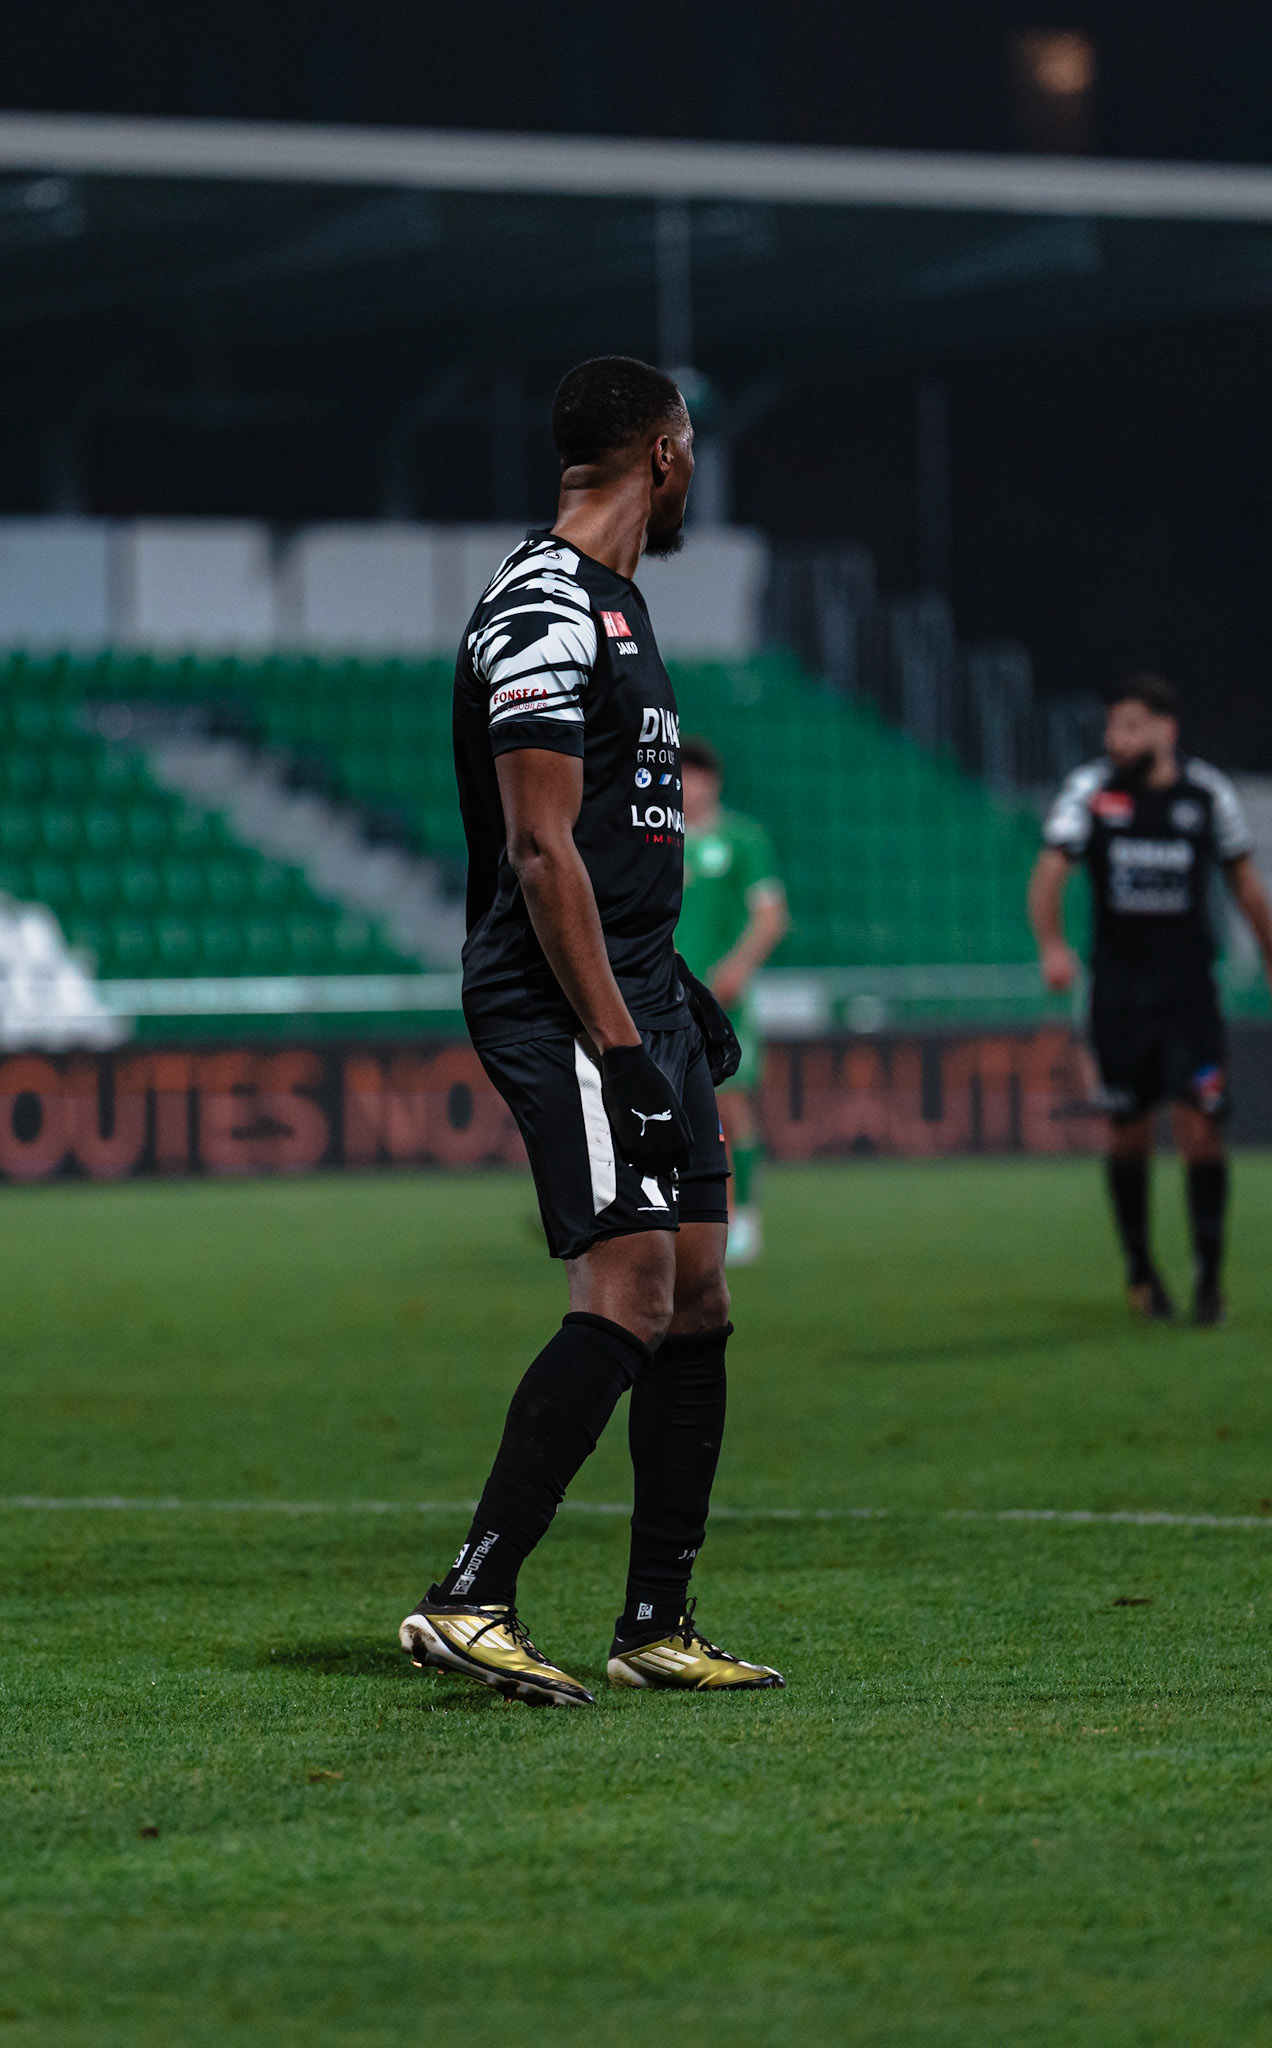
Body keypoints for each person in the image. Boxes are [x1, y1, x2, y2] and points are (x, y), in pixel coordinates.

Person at [398, 356, 782, 1705]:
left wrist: (670, 992)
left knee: (696, 1288)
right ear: (664, 457)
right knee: (626, 1284)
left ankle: (655, 1623)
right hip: (566, 999)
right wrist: (623, 1043)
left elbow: (614, 848)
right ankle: (472, 1593)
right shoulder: (542, 606)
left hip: (637, 986)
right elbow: (541, 852)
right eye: (691, 456)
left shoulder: (618, 609)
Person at [1028, 674, 1272, 1326]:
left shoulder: (1206, 794)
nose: (1113, 740)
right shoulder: (1091, 791)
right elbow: (1048, 870)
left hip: (1189, 996)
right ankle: (1142, 1273)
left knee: (1201, 1126)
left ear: (1163, 730)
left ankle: (1209, 1277)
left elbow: (1245, 880)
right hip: (1118, 997)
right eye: (1110, 729)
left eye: (1127, 726)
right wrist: (1052, 946)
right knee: (1127, 1135)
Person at [674, 738, 789, 1264]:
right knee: (662, 1110)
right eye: (680, 774)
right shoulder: (657, 838)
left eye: (695, 774)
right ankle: (672, 1218)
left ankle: (744, 1218)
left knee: (732, 1105)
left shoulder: (742, 838)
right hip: (662, 997)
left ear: (712, 781)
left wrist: (739, 966)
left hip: (721, 999)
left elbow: (771, 915)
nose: (686, 785)